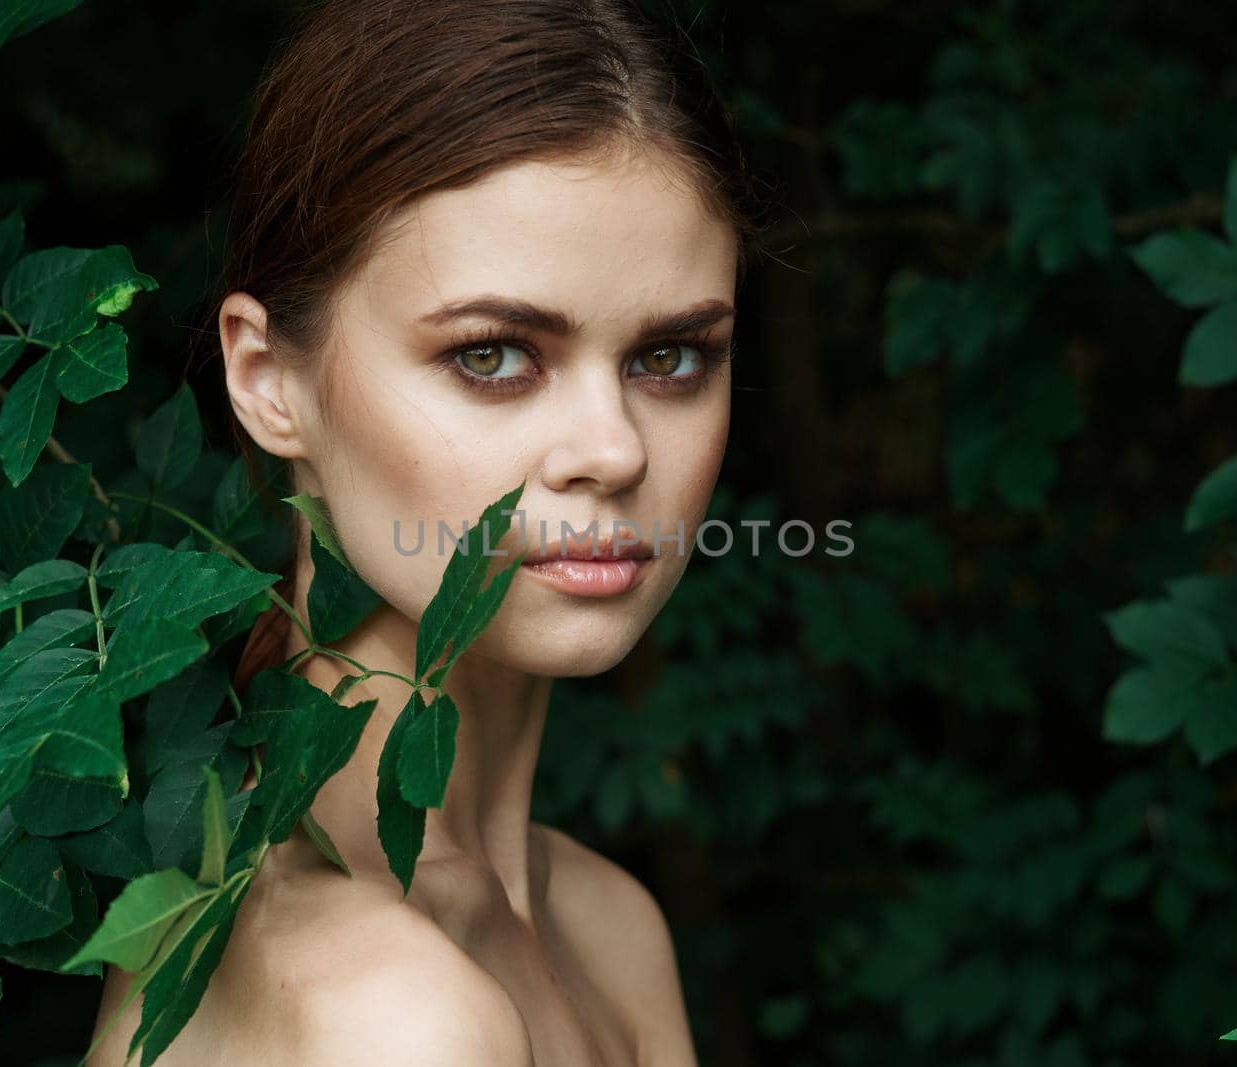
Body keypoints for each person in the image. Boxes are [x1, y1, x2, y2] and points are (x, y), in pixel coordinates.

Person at [86, 0, 768, 1062]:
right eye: (491, 355)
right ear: (270, 382)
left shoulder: (604, 921)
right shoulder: (392, 1016)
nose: (614, 449)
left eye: (669, 357)